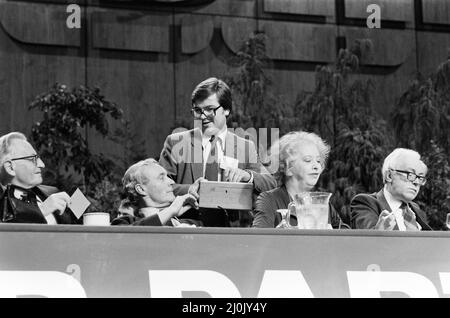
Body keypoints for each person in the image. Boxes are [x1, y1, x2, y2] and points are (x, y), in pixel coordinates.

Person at [158, 77, 277, 227]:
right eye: (197, 110)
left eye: (209, 109)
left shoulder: (245, 146)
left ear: (226, 109)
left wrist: (248, 176)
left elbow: (271, 184)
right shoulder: (176, 142)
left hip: (229, 230)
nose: (202, 116)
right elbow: (158, 188)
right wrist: (191, 189)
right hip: (185, 227)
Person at [252, 131, 344, 228]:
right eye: (308, 160)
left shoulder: (322, 203)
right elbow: (259, 237)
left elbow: (348, 235)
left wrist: (333, 234)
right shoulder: (269, 200)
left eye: (318, 161)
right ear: (287, 168)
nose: (317, 166)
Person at [0, 132, 78, 224]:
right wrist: (41, 210)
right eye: (33, 159)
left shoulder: (53, 191)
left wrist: (84, 208)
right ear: (10, 167)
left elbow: (87, 222)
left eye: (38, 158)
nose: (42, 165)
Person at [350, 148, 432, 230]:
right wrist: (378, 233)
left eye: (420, 177)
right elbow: (364, 240)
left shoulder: (416, 209)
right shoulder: (366, 203)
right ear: (389, 176)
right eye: (410, 174)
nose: (416, 182)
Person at [111, 158, 200, 226]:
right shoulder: (124, 223)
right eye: (161, 178)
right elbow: (132, 236)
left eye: (168, 177)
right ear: (141, 189)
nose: (171, 182)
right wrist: (171, 211)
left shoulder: (191, 224)